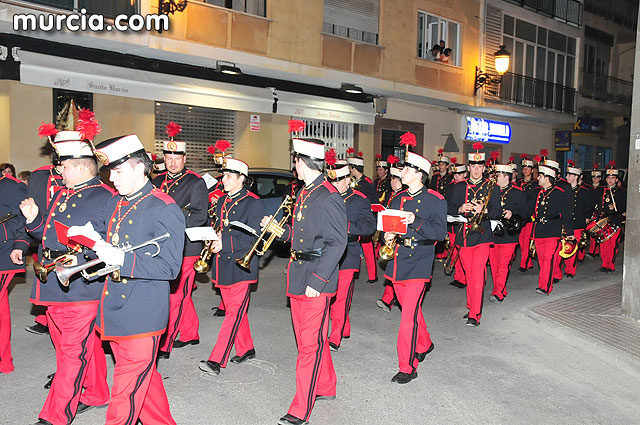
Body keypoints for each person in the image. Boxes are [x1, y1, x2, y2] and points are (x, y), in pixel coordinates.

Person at [72, 134, 185, 425]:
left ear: (139, 168)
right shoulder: (115, 204)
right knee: (142, 382)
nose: (112, 178)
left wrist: (122, 258)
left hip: (143, 313)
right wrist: (89, 243)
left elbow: (170, 268)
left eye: (118, 171)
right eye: (110, 171)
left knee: (124, 394)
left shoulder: (164, 207)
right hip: (115, 309)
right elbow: (103, 241)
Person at [20, 132, 112, 424]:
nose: (59, 172)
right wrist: (35, 219)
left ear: (81, 166)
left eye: (63, 166)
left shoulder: (105, 197)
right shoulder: (64, 192)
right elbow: (46, 236)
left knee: (72, 353)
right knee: (80, 347)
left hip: (82, 286)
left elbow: (110, 249)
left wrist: (80, 255)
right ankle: (96, 393)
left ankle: (56, 415)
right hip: (54, 284)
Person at [262, 136, 347, 425]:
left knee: (308, 347)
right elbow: (301, 239)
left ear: (302, 161)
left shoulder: (329, 195)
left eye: (294, 161)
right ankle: (326, 385)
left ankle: (301, 409)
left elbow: (337, 243)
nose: (293, 167)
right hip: (299, 275)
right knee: (312, 341)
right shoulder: (306, 192)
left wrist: (319, 280)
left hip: (315, 280)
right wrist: (278, 229)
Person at [382, 145, 446, 383]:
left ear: (419, 173)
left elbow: (440, 233)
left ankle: (407, 366)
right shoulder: (398, 198)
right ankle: (425, 343)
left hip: (419, 261)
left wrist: (415, 220)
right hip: (398, 261)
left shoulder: (435, 200)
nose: (403, 171)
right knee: (412, 309)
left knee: (407, 317)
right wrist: (389, 235)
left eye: (407, 168)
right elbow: (391, 226)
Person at [199, 157, 265, 375]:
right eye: (223, 176)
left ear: (241, 179)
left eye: (228, 176)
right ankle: (246, 348)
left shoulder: (253, 202)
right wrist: (211, 237)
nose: (223, 180)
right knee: (236, 313)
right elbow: (220, 226)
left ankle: (216, 360)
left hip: (240, 266)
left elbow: (254, 239)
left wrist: (224, 243)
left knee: (233, 314)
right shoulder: (222, 201)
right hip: (222, 264)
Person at [152, 127, 209, 358]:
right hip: (160, 245)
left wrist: (170, 223)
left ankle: (165, 343)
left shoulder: (195, 182)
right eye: (168, 158)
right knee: (181, 293)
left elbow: (199, 215)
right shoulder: (156, 180)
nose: (173, 163)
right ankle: (190, 332)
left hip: (186, 247)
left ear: (185, 159)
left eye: (177, 159)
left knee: (174, 294)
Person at [447, 143, 501, 326]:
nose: (476, 170)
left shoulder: (492, 187)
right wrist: (460, 208)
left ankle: (474, 314)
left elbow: (498, 212)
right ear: (468, 167)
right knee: (470, 275)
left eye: (480, 167)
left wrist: (484, 211)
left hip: (482, 236)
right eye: (473, 166)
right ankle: (472, 305)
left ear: (484, 168)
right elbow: (449, 208)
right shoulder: (458, 187)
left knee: (478, 275)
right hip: (463, 235)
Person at [326, 158, 375, 351]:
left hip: (348, 253)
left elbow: (368, 227)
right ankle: (344, 326)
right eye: (332, 181)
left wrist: (346, 228)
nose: (335, 184)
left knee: (341, 296)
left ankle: (335, 334)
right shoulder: (325, 197)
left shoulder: (359, 200)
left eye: (338, 180)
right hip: (327, 253)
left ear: (348, 179)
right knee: (329, 295)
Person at [531, 165, 573, 295]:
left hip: (552, 230)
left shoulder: (559, 193)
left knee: (548, 259)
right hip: (539, 230)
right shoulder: (537, 192)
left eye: (540, 176)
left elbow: (566, 214)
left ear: (547, 178)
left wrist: (570, 233)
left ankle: (545, 286)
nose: (538, 178)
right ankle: (543, 283)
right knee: (542, 259)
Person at [0, 170, 27, 374]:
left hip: (3, 253)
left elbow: (26, 218)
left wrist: (19, 245)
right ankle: (4, 360)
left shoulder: (13, 186)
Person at [488, 164, 527, 303]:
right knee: (494, 264)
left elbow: (526, 212)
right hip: (493, 233)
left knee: (503, 265)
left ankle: (497, 292)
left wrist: (513, 214)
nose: (494, 178)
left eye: (497, 175)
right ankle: (501, 288)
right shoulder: (491, 190)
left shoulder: (517, 192)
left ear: (506, 176)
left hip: (509, 234)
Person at [377, 159, 405, 311]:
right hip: (390, 236)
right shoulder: (393, 195)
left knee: (394, 272)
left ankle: (389, 299)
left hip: (397, 238)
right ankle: (390, 299)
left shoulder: (401, 196)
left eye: (393, 180)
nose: (391, 183)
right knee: (392, 271)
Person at [347, 150, 378, 283]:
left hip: (365, 219)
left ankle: (373, 275)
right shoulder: (358, 182)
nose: (349, 170)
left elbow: (373, 201)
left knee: (367, 247)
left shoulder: (366, 183)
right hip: (356, 218)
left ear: (354, 169)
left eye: (350, 168)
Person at [593, 164, 626, 272]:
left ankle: (610, 265)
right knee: (603, 244)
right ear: (606, 179)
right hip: (603, 221)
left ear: (616, 180)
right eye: (608, 178)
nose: (610, 180)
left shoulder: (622, 192)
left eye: (613, 178)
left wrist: (616, 207)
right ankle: (604, 264)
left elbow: (624, 207)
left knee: (612, 245)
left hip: (615, 220)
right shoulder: (601, 191)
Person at [563, 162, 593, 277]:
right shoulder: (564, 190)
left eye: (569, 175)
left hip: (577, 222)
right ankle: (566, 267)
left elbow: (590, 205)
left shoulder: (584, 191)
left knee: (573, 247)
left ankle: (571, 270)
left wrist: (586, 217)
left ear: (575, 176)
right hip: (566, 223)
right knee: (565, 246)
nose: (566, 177)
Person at [446, 160, 468, 289]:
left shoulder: (467, 186)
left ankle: (464, 277)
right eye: (454, 174)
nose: (456, 177)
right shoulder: (450, 186)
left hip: (462, 222)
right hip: (451, 220)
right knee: (453, 251)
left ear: (465, 174)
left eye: (459, 174)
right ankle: (458, 276)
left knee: (462, 251)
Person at [517, 155, 538, 272]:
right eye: (524, 168)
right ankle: (528, 262)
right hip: (520, 217)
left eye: (528, 168)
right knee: (521, 241)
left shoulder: (535, 185)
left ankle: (523, 263)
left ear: (532, 170)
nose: (526, 170)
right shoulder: (518, 183)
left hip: (530, 217)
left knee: (526, 241)